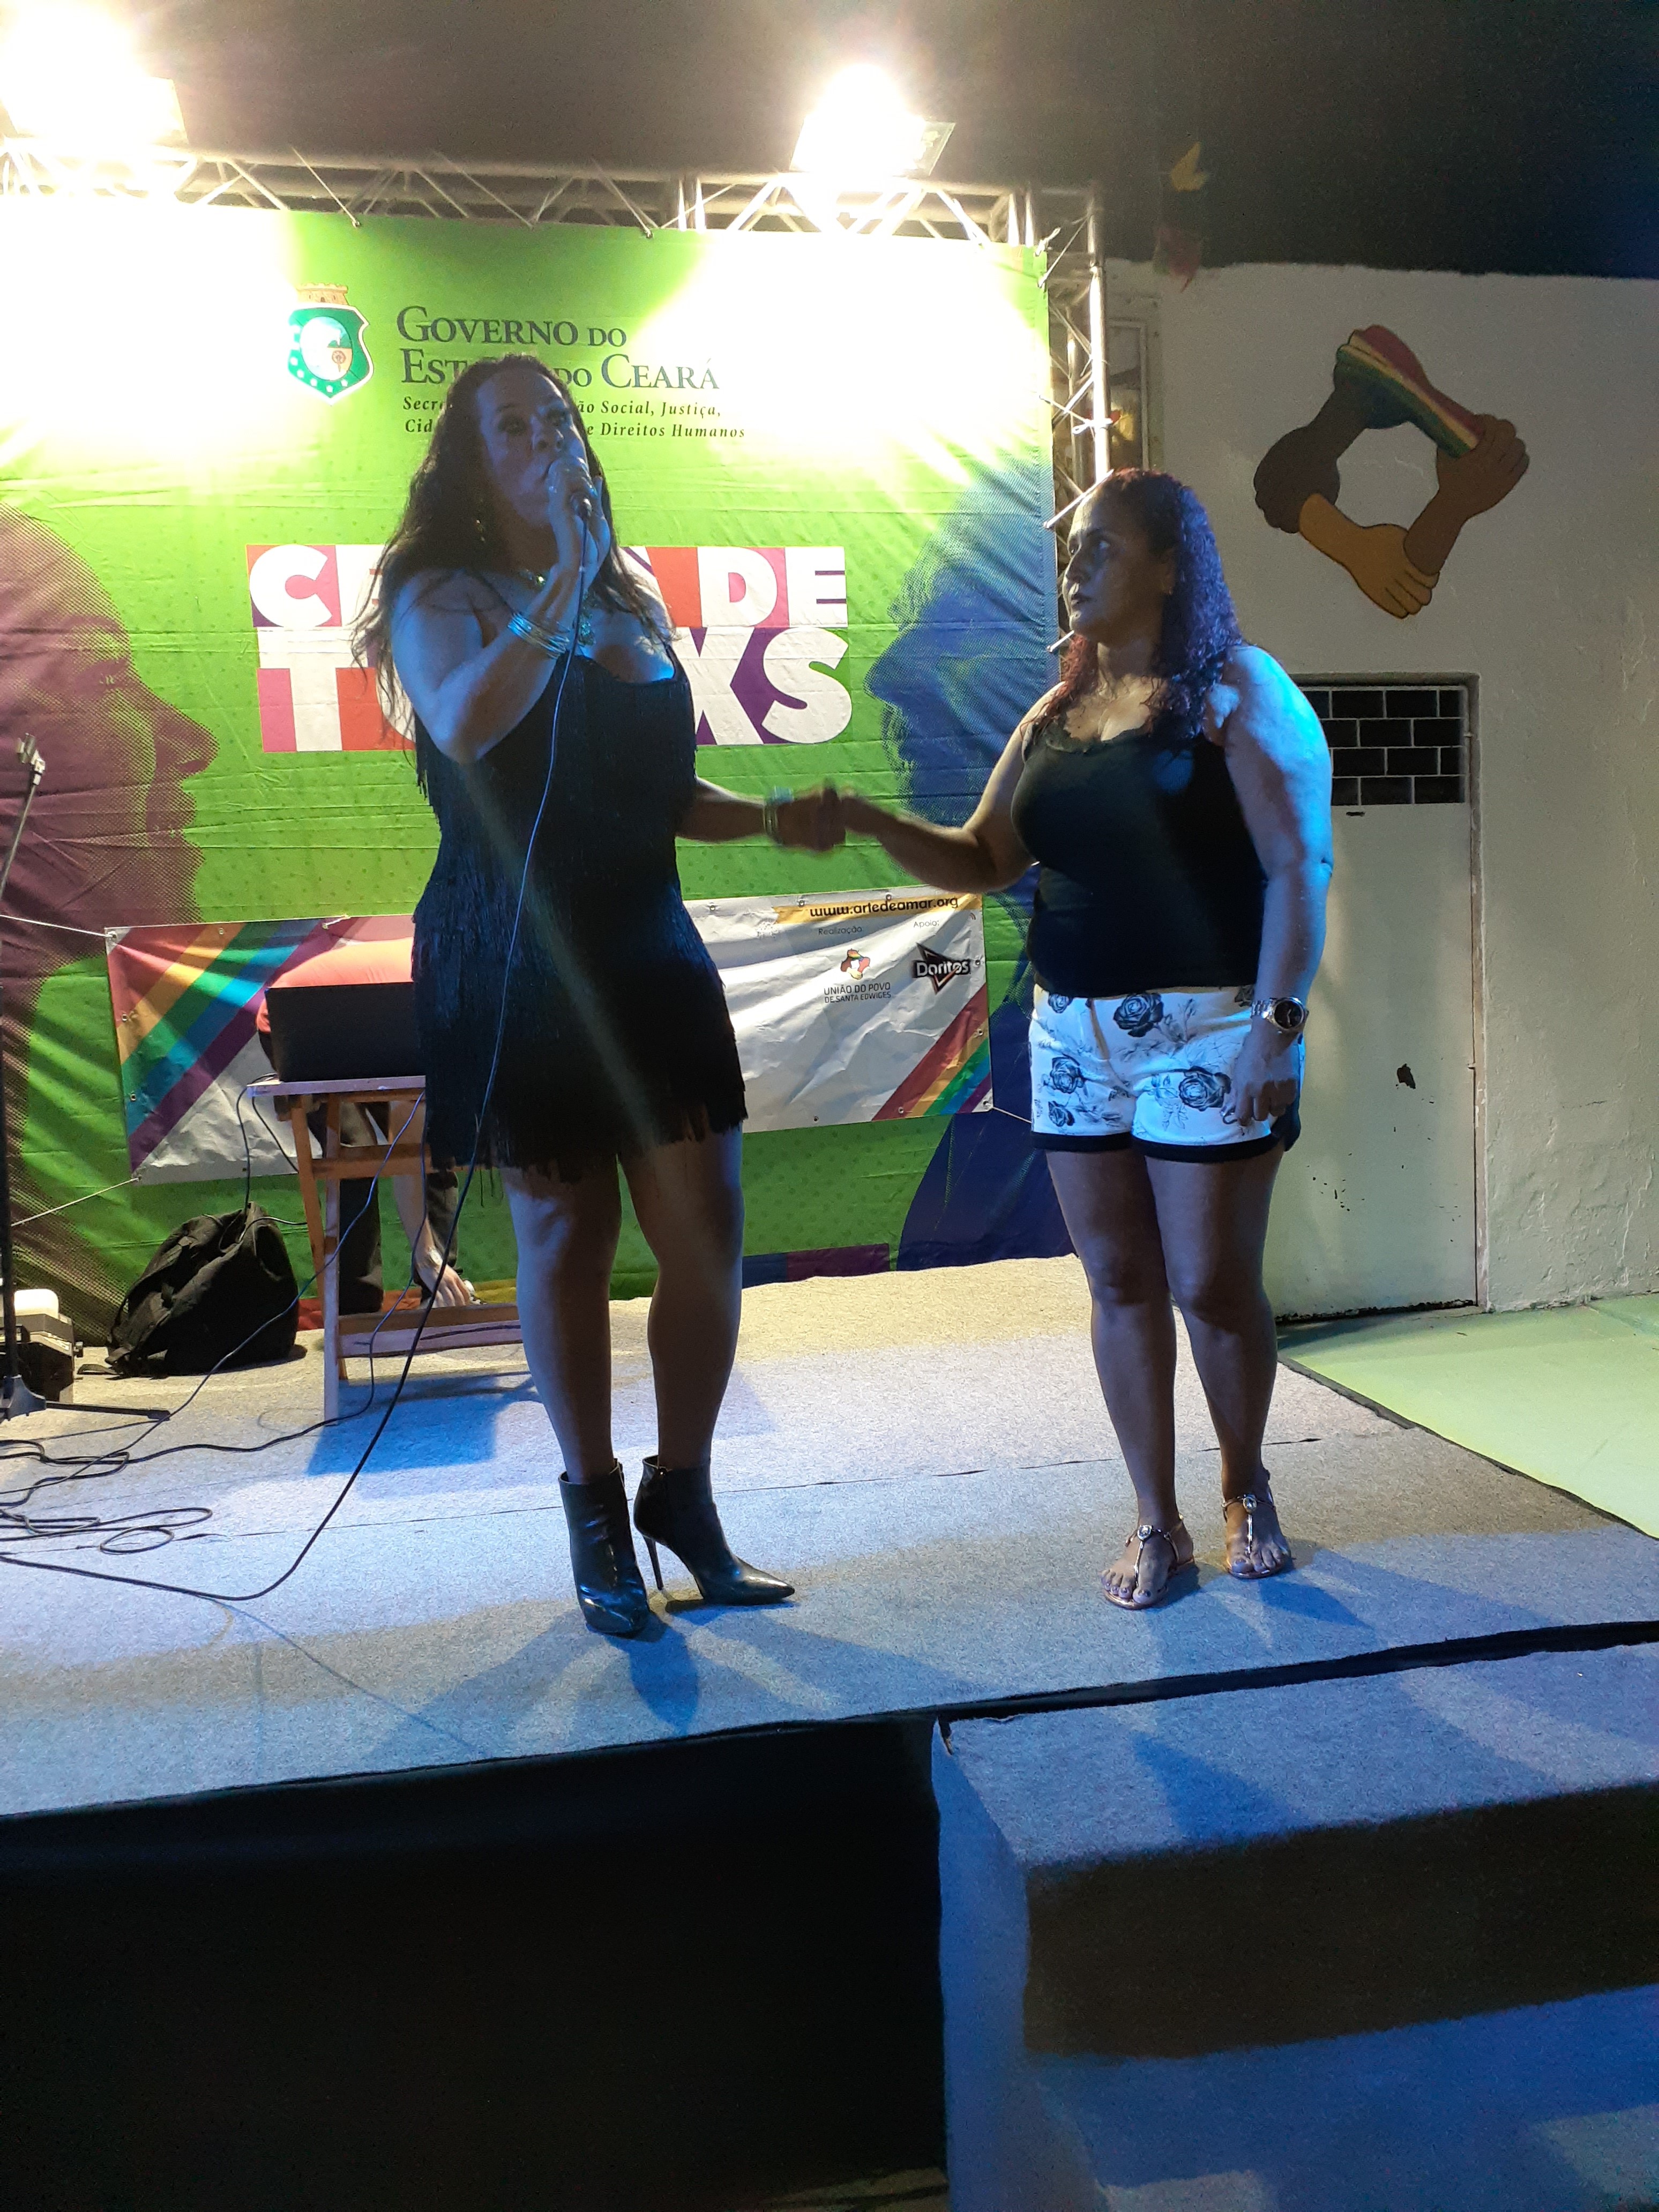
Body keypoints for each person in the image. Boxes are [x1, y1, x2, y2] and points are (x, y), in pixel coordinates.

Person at [360, 355, 840, 1639]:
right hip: (513, 952)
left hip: (642, 943)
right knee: (566, 1235)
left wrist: (770, 820)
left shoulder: (631, 593)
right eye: (513, 429)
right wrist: (563, 586)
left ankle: (684, 1492)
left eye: (559, 420)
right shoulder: (439, 591)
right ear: (474, 466)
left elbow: (660, 791)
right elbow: (466, 727)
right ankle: (593, 1514)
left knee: (706, 1235)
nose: (548, 442)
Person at [831, 469, 1333, 1609]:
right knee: (1118, 1282)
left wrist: (1278, 1028)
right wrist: (869, 822)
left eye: (1103, 545)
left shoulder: (1237, 691)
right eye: (1073, 547)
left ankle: (1245, 1485)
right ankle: (1157, 1519)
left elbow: (1298, 866)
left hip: (1211, 1028)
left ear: (1170, 565)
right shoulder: (1054, 712)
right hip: (1073, 1038)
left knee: (1210, 1283)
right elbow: (983, 858)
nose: (1078, 565)